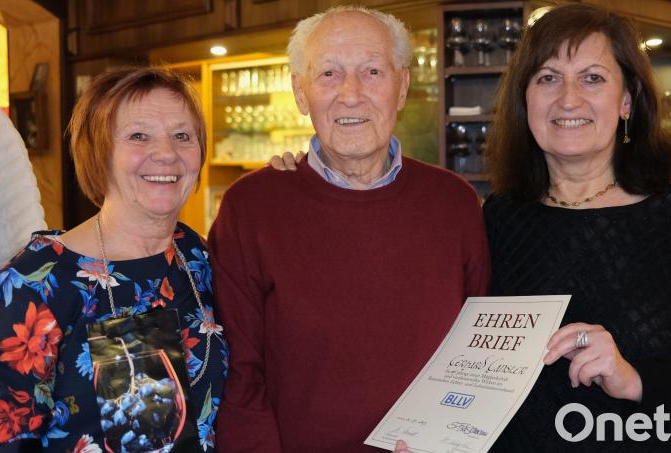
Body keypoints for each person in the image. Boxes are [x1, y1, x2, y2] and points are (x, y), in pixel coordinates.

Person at [209, 6, 490, 452]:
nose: (351, 94)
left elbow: (481, 355)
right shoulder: (251, 207)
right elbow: (239, 374)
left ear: (402, 88)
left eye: (373, 71)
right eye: (329, 74)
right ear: (301, 94)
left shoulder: (454, 203)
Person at [475, 3, 671, 451]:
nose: (568, 98)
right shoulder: (500, 215)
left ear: (627, 100)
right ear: (524, 99)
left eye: (592, 78)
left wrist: (633, 378)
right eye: (547, 78)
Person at [0, 67, 229, 452]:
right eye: (139, 135)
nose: (167, 154)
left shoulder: (195, 256)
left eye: (182, 136)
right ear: (99, 152)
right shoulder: (32, 287)